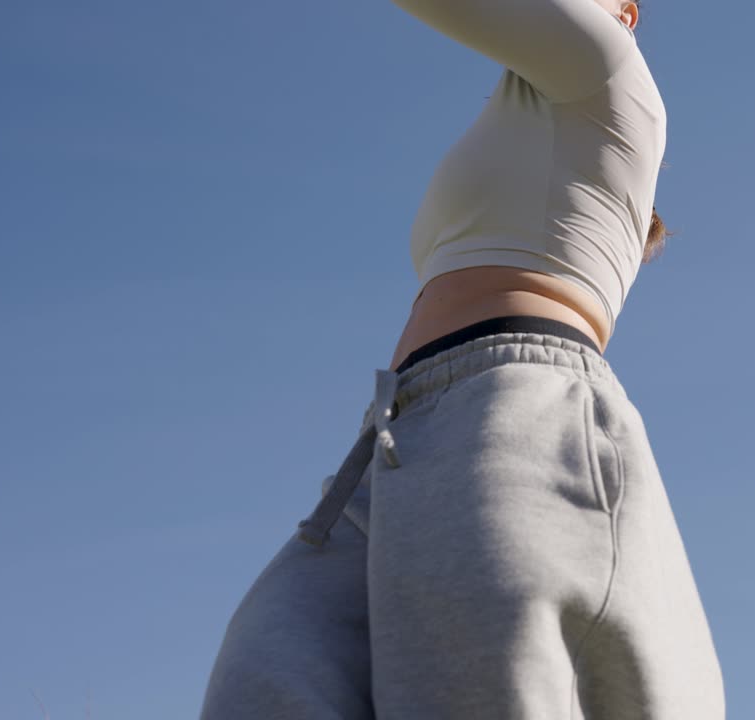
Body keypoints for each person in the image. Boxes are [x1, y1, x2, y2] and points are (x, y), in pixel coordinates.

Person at [199, 0, 725, 717]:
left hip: (511, 411)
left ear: (624, 11)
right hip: (393, 437)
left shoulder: (609, 70)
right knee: (265, 673)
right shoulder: (522, 122)